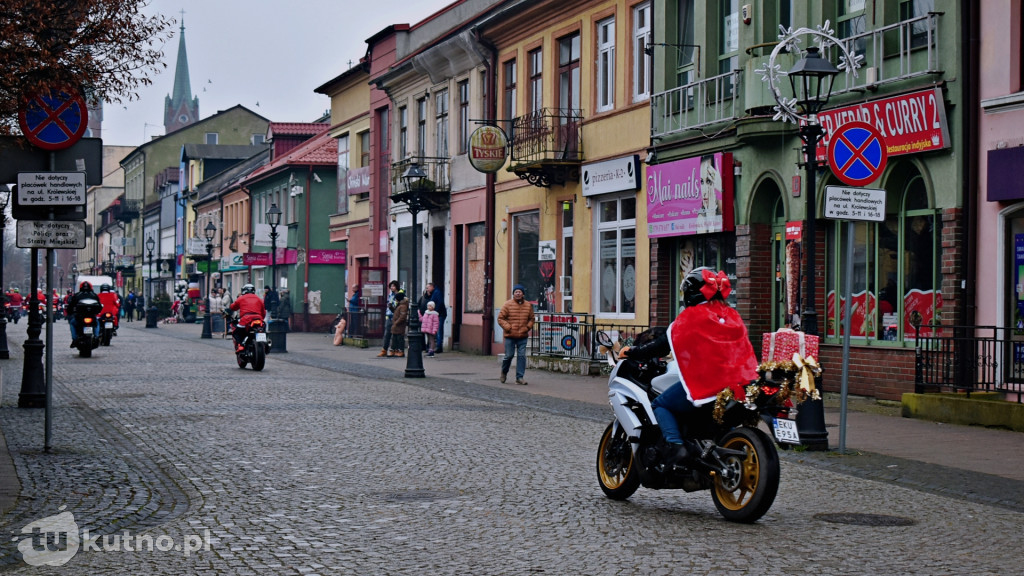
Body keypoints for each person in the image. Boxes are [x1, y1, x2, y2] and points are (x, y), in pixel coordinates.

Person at [619, 267, 758, 464]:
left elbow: (659, 346)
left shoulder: (691, 318)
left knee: (660, 404)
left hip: (710, 384)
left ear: (690, 294)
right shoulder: (731, 316)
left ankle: (677, 447)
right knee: (720, 417)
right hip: (740, 383)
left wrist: (631, 351)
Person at [497, 284, 535, 385]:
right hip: (510, 336)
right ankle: (504, 372)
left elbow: (532, 319)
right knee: (509, 355)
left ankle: (519, 377)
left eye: (519, 292)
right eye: (516, 292)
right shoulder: (507, 304)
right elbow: (500, 318)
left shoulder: (528, 305)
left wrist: (527, 327)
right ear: (513, 294)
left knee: (522, 356)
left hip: (522, 335)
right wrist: (508, 327)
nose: (518, 293)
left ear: (523, 294)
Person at [228, 284, 267, 351]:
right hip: (258, 319)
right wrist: (261, 318)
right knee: (263, 330)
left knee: (237, 333)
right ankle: (265, 344)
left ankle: (241, 345)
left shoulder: (241, 298)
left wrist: (231, 307)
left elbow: (233, 307)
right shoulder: (259, 299)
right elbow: (264, 311)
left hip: (246, 319)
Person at [66, 281, 98, 347]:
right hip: (91, 317)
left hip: (79, 318)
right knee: (97, 323)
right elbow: (99, 306)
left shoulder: (77, 295)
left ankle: (74, 339)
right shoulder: (94, 295)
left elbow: (70, 306)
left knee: (72, 323)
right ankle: (96, 336)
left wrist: (69, 312)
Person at [377, 280, 402, 357]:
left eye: (393, 286)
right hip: (389, 316)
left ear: (396, 286)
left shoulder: (400, 295)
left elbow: (398, 306)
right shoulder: (390, 295)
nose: (392, 287)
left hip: (396, 316)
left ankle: (394, 350)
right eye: (391, 286)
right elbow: (389, 304)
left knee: (396, 335)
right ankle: (384, 349)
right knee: (387, 334)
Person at [426, 282, 447, 353]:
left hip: (440, 314)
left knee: (438, 330)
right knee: (436, 329)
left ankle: (439, 346)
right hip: (438, 314)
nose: (427, 289)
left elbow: (440, 303)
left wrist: (436, 312)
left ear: (432, 287)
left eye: (428, 288)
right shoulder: (434, 293)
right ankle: (435, 346)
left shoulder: (437, 292)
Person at [389, 290, 408, 357]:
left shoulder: (403, 306)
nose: (395, 300)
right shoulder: (399, 305)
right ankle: (394, 350)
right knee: (394, 338)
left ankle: (401, 351)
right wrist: (391, 307)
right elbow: (395, 311)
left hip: (399, 325)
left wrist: (396, 323)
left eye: (396, 299)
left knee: (400, 338)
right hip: (396, 325)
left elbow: (402, 316)